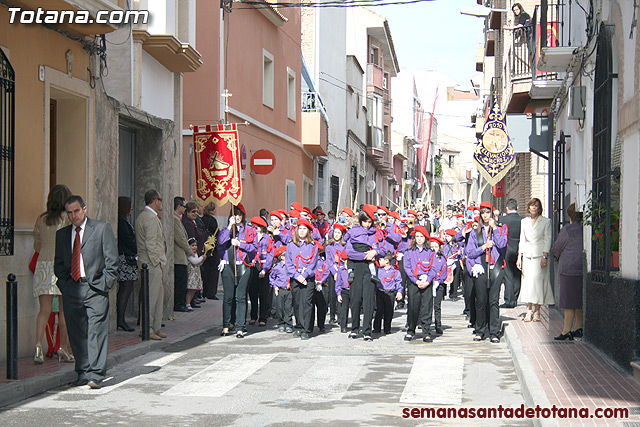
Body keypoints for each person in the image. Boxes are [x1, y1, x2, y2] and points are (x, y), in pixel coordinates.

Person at [54, 195, 118, 389]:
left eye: (76, 211)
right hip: (73, 288)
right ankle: (82, 372)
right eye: (69, 213)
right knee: (77, 332)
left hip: (95, 288)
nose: (73, 216)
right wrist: (65, 285)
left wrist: (104, 284)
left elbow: (111, 260)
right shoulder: (63, 234)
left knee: (96, 331)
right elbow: (58, 264)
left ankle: (95, 374)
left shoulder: (101, 228)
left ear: (84, 209)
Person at [32, 184, 74, 364]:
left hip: (42, 265)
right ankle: (63, 349)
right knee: (64, 312)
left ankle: (38, 347)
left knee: (44, 310)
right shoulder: (66, 218)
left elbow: (37, 244)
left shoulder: (41, 219)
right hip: (60, 266)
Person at [465, 202, 507, 343]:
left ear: (492, 214)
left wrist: (494, 228)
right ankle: (480, 330)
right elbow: (469, 253)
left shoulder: (500, 229)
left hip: (495, 268)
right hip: (480, 267)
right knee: (481, 300)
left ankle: (494, 331)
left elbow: (502, 245)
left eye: (487, 212)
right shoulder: (474, 233)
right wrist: (483, 246)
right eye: (483, 213)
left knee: (493, 301)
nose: (485, 215)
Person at [344, 205, 386, 341]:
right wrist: (364, 255)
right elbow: (349, 252)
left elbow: (384, 248)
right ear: (360, 221)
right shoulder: (353, 232)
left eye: (369, 222)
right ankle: (355, 328)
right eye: (365, 222)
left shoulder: (376, 232)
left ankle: (367, 330)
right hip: (357, 267)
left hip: (370, 268)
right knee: (355, 299)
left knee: (368, 300)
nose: (367, 225)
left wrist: (376, 251)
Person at [218, 204, 257, 338]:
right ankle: (226, 325)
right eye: (235, 214)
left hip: (243, 265)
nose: (237, 217)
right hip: (228, 265)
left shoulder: (249, 230)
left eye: (240, 214)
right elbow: (221, 242)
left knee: (241, 297)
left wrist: (241, 244)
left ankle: (240, 326)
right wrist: (229, 226)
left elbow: (254, 247)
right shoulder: (226, 229)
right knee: (228, 297)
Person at [135, 190, 167, 341]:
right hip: (150, 263)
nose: (161, 203)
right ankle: (147, 328)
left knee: (157, 296)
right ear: (155, 200)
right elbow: (151, 242)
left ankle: (155, 327)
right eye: (160, 200)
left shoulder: (146, 216)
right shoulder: (149, 218)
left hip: (149, 262)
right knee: (151, 297)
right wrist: (157, 261)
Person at [517, 198, 553, 322]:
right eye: (531, 205)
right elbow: (522, 239)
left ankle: (537, 310)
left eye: (536, 206)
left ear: (539, 208)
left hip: (539, 256)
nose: (533, 208)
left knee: (539, 283)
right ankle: (528, 310)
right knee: (527, 282)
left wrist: (545, 256)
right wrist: (519, 257)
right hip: (527, 255)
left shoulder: (546, 222)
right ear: (528, 207)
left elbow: (548, 238)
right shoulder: (524, 222)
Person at [551, 203, 584, 340]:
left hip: (568, 268)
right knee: (579, 299)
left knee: (568, 301)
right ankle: (578, 327)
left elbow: (557, 247)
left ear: (569, 215)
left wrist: (556, 255)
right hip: (582, 267)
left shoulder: (567, 230)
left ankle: (566, 331)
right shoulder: (586, 228)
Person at [286, 219, 319, 340]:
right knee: (297, 302)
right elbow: (288, 263)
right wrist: (296, 276)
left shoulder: (313, 245)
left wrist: (304, 276)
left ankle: (306, 328)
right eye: (300, 228)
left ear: (309, 231)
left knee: (307, 303)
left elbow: (313, 263)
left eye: (304, 228)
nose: (301, 231)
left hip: (308, 278)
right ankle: (298, 326)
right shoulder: (291, 244)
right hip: (295, 277)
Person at [403, 225, 436, 342]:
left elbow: (433, 268)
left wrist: (427, 281)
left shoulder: (430, 252)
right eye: (417, 236)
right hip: (414, 282)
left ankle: (426, 332)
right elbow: (407, 268)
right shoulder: (409, 252)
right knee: (413, 306)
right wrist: (416, 280)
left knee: (426, 307)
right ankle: (411, 330)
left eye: (421, 236)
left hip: (426, 281)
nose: (419, 239)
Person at [248, 216, 274, 327]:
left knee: (263, 294)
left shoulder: (267, 238)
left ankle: (263, 317)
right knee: (252, 293)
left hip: (263, 267)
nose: (255, 229)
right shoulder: (250, 238)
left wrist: (265, 269)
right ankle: (253, 316)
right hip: (252, 267)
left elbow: (270, 254)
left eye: (257, 227)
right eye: (254, 227)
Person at [116, 196, 137, 332]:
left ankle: (121, 318)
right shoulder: (121, 223)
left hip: (127, 257)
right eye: (129, 206)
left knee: (127, 288)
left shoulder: (124, 221)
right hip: (125, 259)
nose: (131, 208)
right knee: (125, 288)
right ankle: (120, 319)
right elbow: (128, 240)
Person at [501, 198, 523, 308]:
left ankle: (509, 301)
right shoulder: (523, 220)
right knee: (517, 275)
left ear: (507, 208)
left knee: (508, 275)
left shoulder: (502, 220)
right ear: (517, 208)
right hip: (520, 250)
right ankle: (514, 298)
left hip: (507, 250)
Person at [372, 252, 403, 335]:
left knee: (389, 312)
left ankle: (387, 328)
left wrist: (399, 292)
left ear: (386, 261)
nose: (379, 261)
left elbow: (399, 282)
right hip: (380, 292)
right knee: (378, 311)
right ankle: (376, 328)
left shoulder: (395, 271)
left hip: (390, 293)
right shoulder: (378, 271)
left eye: (380, 259)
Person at [173, 197, 191, 312]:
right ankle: (178, 304)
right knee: (180, 282)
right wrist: (189, 251)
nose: (185, 209)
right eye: (184, 206)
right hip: (178, 256)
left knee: (182, 281)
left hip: (182, 256)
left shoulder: (178, 219)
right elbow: (180, 238)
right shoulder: (174, 219)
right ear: (178, 206)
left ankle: (181, 303)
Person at [270, 246, 293, 333]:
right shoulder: (277, 267)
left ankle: (288, 324)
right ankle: (281, 323)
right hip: (280, 289)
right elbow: (272, 278)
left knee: (288, 308)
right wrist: (275, 287)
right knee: (280, 308)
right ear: (282, 257)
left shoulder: (291, 266)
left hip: (289, 289)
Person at [200, 202, 220, 300]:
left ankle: (204, 291)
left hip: (203, 247)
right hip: (212, 248)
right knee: (213, 271)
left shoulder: (201, 219)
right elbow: (217, 235)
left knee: (205, 270)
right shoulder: (212, 220)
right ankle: (211, 292)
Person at [186, 237, 206, 310]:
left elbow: (198, 264)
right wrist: (201, 258)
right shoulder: (189, 255)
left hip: (196, 274)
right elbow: (194, 262)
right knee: (190, 289)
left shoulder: (196, 254)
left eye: (195, 245)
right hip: (191, 274)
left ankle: (190, 302)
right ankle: (187, 303)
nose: (194, 247)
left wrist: (202, 260)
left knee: (194, 289)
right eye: (192, 245)